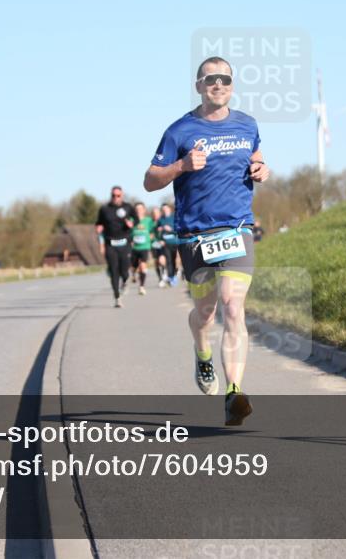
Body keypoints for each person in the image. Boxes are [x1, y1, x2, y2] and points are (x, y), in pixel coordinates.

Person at [144, 56, 270, 425]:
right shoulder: (179, 130)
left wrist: (262, 169)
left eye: (225, 79)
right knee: (206, 313)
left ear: (232, 85)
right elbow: (150, 180)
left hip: (237, 230)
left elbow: (257, 157)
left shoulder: (248, 125)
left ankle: (234, 394)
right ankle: (202, 353)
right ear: (199, 85)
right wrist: (180, 166)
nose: (218, 84)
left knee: (233, 306)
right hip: (195, 236)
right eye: (210, 79)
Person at [95, 186, 135, 308]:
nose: (115, 198)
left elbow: (137, 220)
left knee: (124, 269)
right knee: (113, 270)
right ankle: (117, 297)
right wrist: (98, 228)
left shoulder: (128, 207)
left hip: (125, 242)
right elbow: (99, 223)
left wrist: (132, 223)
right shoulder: (104, 209)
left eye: (118, 195)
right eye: (113, 195)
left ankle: (126, 279)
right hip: (110, 243)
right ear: (111, 195)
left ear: (122, 196)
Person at [130, 202, 154, 295]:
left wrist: (149, 239)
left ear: (144, 210)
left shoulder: (148, 220)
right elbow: (128, 231)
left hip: (145, 247)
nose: (138, 211)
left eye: (140, 209)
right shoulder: (132, 220)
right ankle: (133, 273)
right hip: (134, 247)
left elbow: (152, 231)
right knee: (133, 267)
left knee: (143, 266)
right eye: (137, 209)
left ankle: (142, 286)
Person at [156, 203, 180, 286]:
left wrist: (171, 230)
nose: (164, 211)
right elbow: (157, 231)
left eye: (166, 209)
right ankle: (171, 277)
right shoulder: (160, 219)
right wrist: (160, 239)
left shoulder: (174, 217)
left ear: (169, 209)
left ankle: (175, 274)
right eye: (163, 210)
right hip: (165, 243)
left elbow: (178, 229)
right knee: (168, 260)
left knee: (175, 260)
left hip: (175, 242)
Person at [150, 206, 169, 288]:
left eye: (157, 213)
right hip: (153, 244)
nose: (155, 215)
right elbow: (148, 232)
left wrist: (163, 239)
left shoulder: (162, 221)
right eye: (154, 214)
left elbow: (167, 231)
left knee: (162, 260)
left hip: (162, 244)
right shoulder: (150, 222)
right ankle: (160, 278)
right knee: (156, 262)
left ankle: (164, 271)